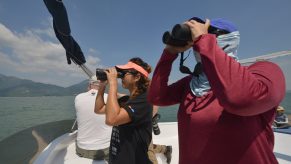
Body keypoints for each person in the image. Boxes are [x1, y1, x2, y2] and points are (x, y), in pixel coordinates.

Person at [148, 17, 286, 164]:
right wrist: (169, 53)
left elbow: (239, 100)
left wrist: (204, 39)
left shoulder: (264, 71)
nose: (197, 41)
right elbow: (157, 97)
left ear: (231, 38)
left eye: (209, 33)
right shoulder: (192, 84)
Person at [94, 57, 153, 164]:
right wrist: (102, 86)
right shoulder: (127, 100)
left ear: (137, 77)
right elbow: (99, 109)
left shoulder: (144, 101)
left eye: (124, 73)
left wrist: (113, 84)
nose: (120, 77)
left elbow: (112, 119)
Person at [74, 79, 112, 161]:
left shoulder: (78, 97)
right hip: (105, 149)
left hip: (82, 149)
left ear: (90, 85)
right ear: (103, 86)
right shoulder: (109, 98)